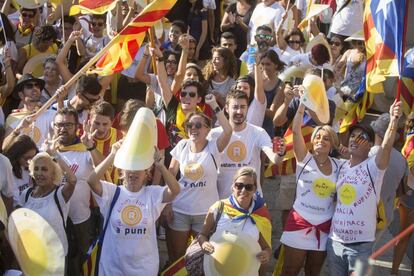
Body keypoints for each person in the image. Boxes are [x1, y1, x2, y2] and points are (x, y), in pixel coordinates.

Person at [327, 101, 402, 275]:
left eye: (362, 137)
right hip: (334, 244)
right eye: (353, 136)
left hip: (360, 248)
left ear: (370, 146)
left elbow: (386, 146)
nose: (355, 139)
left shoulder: (374, 168)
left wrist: (393, 120)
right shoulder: (341, 166)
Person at [87, 141, 180, 274]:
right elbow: (91, 181)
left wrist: (161, 167)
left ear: (146, 173)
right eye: (129, 168)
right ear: (122, 172)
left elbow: (175, 190)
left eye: (138, 169)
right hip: (113, 266)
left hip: (144, 268)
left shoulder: (152, 194)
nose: (133, 173)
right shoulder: (112, 192)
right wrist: (112, 155)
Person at [167, 94, 232, 261]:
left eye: (198, 125)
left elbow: (228, 130)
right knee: (177, 257)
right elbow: (171, 173)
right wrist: (166, 203)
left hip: (206, 213)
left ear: (207, 129)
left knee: (203, 258)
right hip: (179, 209)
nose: (193, 129)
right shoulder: (182, 145)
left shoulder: (213, 147)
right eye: (189, 125)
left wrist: (213, 104)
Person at [280, 102, 340, 276]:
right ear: (312, 142)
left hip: (324, 225)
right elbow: (296, 130)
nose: (321, 140)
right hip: (300, 221)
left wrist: (343, 151)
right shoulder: (304, 158)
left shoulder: (340, 165)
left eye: (326, 138)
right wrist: (302, 106)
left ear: (332, 144)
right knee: (290, 270)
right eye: (318, 137)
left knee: (313, 271)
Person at [209, 90, 285, 199]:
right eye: (235, 107)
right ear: (226, 108)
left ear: (247, 108)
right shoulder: (214, 134)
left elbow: (276, 159)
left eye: (243, 107)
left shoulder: (258, 132)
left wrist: (280, 153)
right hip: (223, 201)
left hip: (252, 201)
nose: (239, 111)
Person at [198, 167, 272, 274]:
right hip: (217, 271)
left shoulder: (261, 214)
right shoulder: (219, 207)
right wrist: (204, 243)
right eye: (239, 186)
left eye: (248, 187)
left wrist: (266, 254)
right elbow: (202, 235)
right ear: (233, 187)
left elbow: (266, 248)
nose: (243, 190)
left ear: (255, 189)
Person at [20, 141, 77, 257]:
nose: (39, 173)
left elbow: (72, 180)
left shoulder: (60, 194)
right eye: (36, 168)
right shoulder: (25, 194)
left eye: (44, 169)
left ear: (53, 173)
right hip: (32, 256)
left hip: (55, 258)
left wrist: (54, 153)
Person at [392, 113, 414, 274]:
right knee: (404, 235)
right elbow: (410, 167)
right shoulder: (412, 139)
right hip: (411, 193)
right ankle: (394, 272)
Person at [3, 134, 38, 207]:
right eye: (27, 158)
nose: (30, 161)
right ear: (16, 155)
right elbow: (14, 200)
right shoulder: (8, 171)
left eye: (33, 157)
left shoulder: (36, 167)